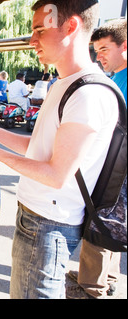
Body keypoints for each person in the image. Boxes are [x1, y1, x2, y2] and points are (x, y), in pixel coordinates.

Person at [0, 0, 118, 299]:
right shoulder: (64, 83)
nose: (32, 40)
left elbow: (56, 174)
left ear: (71, 26)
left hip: (49, 225)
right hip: (35, 218)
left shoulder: (88, 93)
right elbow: (41, 148)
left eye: (39, 29)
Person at [66, 18, 127, 300]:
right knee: (114, 227)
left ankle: (91, 289)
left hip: (117, 173)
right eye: (96, 49)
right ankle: (107, 278)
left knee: (99, 226)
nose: (98, 56)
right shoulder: (116, 78)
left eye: (104, 48)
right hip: (115, 169)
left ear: (124, 46)